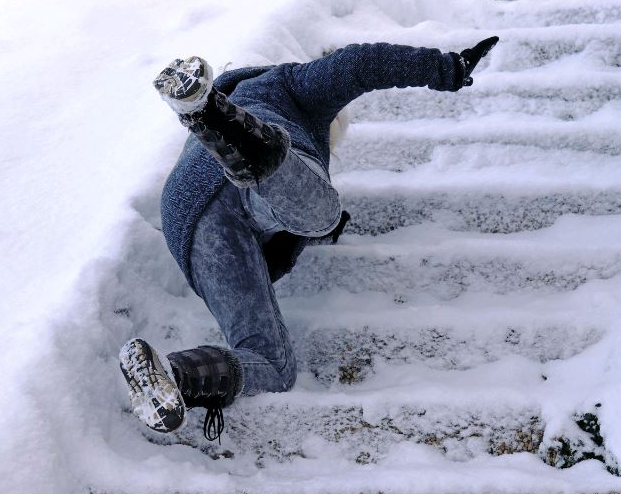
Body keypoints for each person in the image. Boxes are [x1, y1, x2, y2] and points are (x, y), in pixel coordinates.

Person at [119, 38, 500, 442]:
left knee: (273, 365)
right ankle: (253, 146)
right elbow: (358, 64)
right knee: (321, 213)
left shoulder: (204, 138)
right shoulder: (287, 83)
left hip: (186, 213)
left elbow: (275, 244)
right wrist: (447, 68)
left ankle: (175, 377)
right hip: (244, 182)